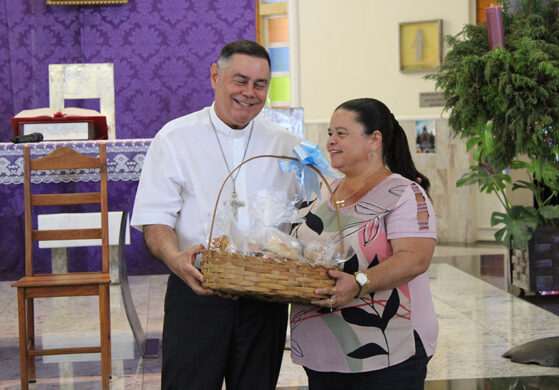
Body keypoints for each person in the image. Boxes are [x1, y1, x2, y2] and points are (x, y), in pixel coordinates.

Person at [131, 40, 300, 390]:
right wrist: (176, 259)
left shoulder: (285, 145)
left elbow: (305, 218)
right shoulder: (175, 138)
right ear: (215, 76)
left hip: (264, 294)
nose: (249, 93)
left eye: (260, 84)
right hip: (197, 287)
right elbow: (155, 219)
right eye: (240, 80)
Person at [289, 98, 437, 390]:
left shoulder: (404, 193)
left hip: (388, 354)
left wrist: (358, 283)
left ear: (374, 140)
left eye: (341, 133)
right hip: (321, 353)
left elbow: (415, 258)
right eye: (330, 133)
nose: (331, 141)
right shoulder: (320, 190)